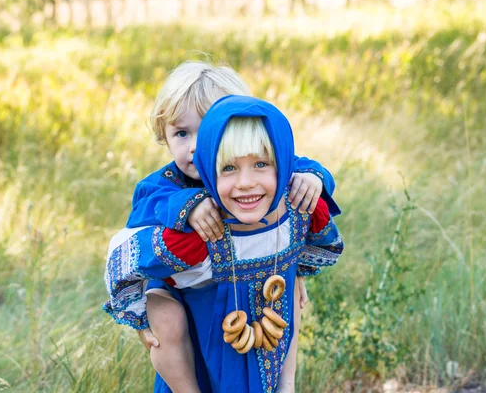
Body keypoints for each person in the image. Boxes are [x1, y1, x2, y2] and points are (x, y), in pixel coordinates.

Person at [107, 61, 341, 392]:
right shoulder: (167, 182)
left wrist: (314, 178)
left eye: (207, 131)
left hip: (245, 279)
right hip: (174, 279)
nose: (193, 147)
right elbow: (146, 207)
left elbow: (297, 165)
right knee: (168, 320)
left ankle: (285, 383)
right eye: (181, 133)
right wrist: (187, 208)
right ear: (165, 136)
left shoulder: (254, 171)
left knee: (289, 295)